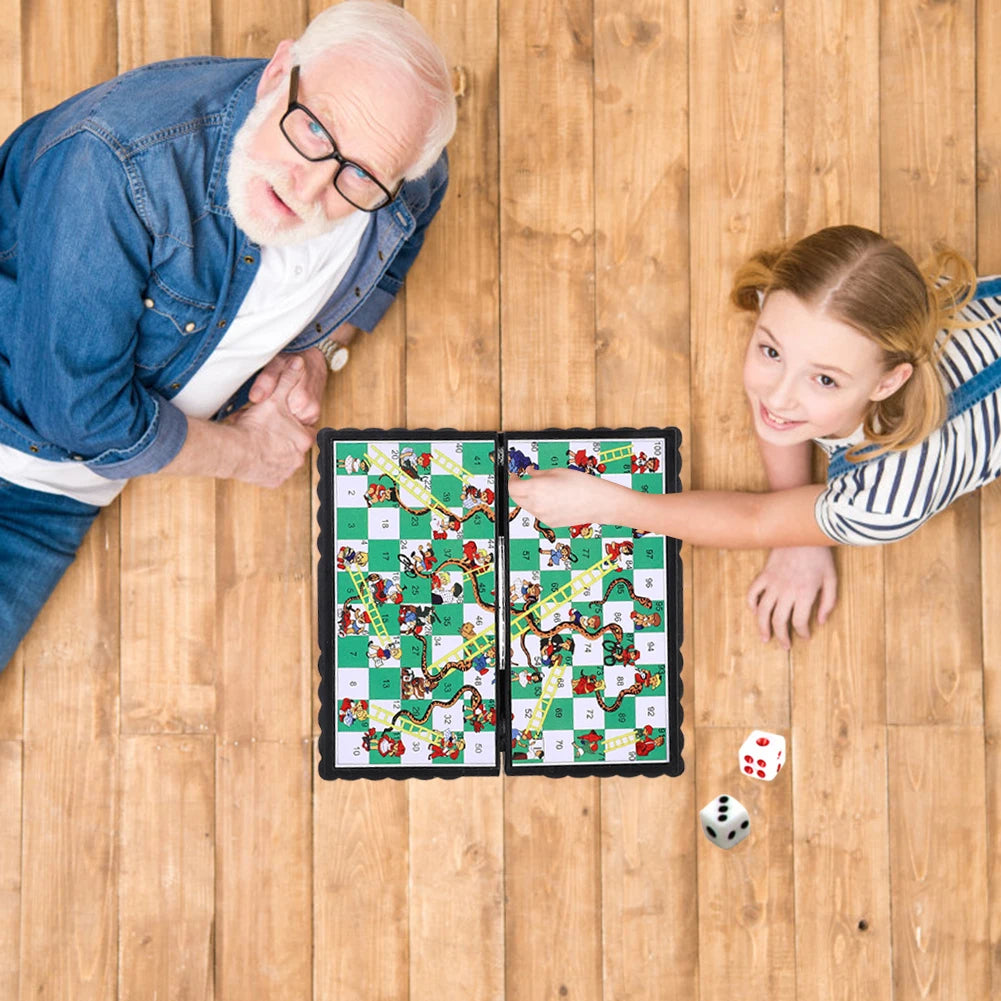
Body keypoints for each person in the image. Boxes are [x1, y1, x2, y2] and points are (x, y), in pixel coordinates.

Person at [0, 0, 457, 670]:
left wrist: (319, 352)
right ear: (278, 72)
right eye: (313, 132)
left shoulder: (399, 181)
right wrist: (247, 453)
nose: (310, 187)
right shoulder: (116, 167)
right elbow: (79, 420)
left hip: (58, 495)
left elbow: (410, 220)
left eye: (357, 175)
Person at [509, 224, 997, 649]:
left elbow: (756, 520)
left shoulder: (885, 501)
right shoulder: (811, 305)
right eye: (770, 351)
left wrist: (609, 504)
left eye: (824, 380)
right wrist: (801, 530)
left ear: (889, 382)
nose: (779, 397)